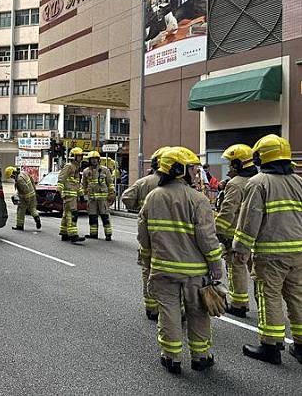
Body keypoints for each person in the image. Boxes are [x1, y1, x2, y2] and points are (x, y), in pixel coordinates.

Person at [138, 147, 222, 374]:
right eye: (192, 168)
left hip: (163, 270)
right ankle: (201, 357)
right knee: (198, 313)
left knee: (169, 312)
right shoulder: (198, 199)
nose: (196, 172)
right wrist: (217, 268)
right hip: (195, 273)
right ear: (179, 169)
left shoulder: (152, 197)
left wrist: (146, 260)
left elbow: (143, 235)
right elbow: (208, 239)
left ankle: (171, 357)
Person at [233, 134, 302, 365]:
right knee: (298, 297)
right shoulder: (299, 181)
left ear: (260, 157)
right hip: (299, 253)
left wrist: (240, 248)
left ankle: (270, 347)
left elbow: (249, 219)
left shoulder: (258, 182)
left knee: (269, 295)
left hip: (271, 254)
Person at [122, 146, 169, 320]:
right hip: (173, 238)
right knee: (172, 274)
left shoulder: (144, 182)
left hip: (148, 235)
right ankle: (175, 310)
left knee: (148, 270)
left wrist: (138, 209)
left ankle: (152, 308)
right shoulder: (179, 185)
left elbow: (126, 197)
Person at [214, 144, 258, 318]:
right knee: (258, 274)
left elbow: (227, 212)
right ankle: (264, 309)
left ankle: (239, 304)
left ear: (239, 164)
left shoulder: (235, 184)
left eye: (231, 163)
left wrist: (217, 231)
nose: (229, 167)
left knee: (237, 269)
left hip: (235, 236)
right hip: (257, 236)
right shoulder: (260, 180)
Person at [81, 151, 115, 240]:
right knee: (92, 217)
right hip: (92, 199)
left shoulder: (105, 170)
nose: (94, 161)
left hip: (103, 199)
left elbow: (110, 183)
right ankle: (93, 234)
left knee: (105, 217)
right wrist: (83, 196)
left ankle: (108, 235)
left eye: (95, 159)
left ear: (98, 160)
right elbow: (83, 185)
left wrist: (111, 193)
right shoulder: (86, 171)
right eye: (92, 159)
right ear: (89, 160)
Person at [57, 147, 85, 243]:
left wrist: (81, 194)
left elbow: (77, 183)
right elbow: (61, 179)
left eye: (81, 156)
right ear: (73, 157)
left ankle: (64, 233)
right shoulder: (69, 166)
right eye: (78, 156)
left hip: (72, 195)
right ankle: (73, 235)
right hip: (69, 195)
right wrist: (59, 191)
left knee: (66, 214)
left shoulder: (76, 167)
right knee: (73, 214)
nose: (80, 158)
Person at [6, 166, 41, 231]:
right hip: (32, 194)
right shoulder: (23, 173)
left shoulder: (19, 180)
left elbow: (25, 190)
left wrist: (26, 199)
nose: (12, 178)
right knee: (32, 208)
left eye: (11, 176)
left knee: (20, 210)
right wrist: (34, 190)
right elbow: (32, 180)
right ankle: (37, 218)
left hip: (26, 197)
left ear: (13, 173)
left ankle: (19, 226)